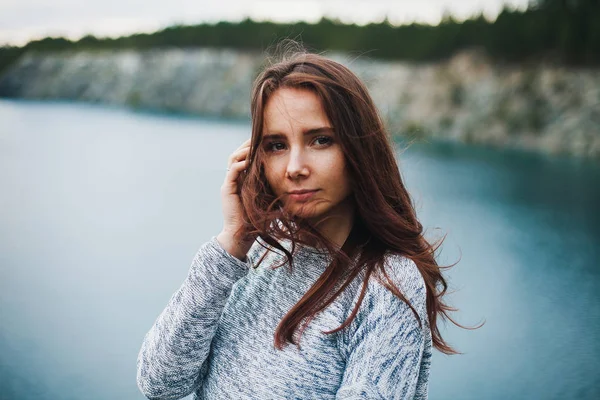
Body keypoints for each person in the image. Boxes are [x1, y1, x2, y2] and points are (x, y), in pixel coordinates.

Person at [136, 44, 461, 400]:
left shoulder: (387, 285)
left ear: (359, 148)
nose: (295, 168)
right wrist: (231, 243)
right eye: (276, 145)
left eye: (321, 140)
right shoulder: (262, 252)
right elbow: (160, 383)